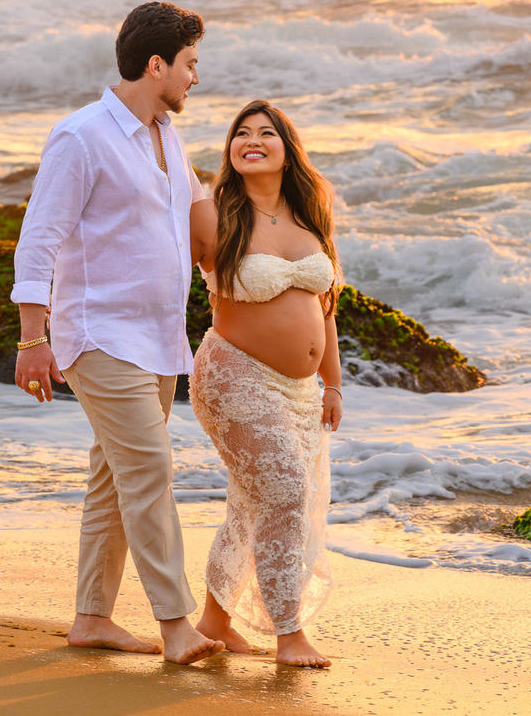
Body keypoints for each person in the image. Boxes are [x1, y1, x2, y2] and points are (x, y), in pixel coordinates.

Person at [10, 1, 224, 664]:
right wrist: (31, 338)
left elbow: (199, 215)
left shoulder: (166, 132)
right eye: (189, 64)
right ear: (156, 65)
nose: (195, 77)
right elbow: (38, 239)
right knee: (151, 470)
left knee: (115, 476)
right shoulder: (82, 137)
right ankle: (176, 624)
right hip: (98, 335)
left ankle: (91, 616)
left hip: (157, 337)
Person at [188, 100, 344, 668]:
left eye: (266, 133)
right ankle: (289, 632)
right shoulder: (215, 213)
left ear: (287, 148)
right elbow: (150, 265)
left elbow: (325, 308)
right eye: (241, 134)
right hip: (234, 375)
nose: (252, 140)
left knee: (250, 505)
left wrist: (332, 384)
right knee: (284, 494)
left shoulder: (309, 218)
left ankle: (214, 621)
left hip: (301, 392)